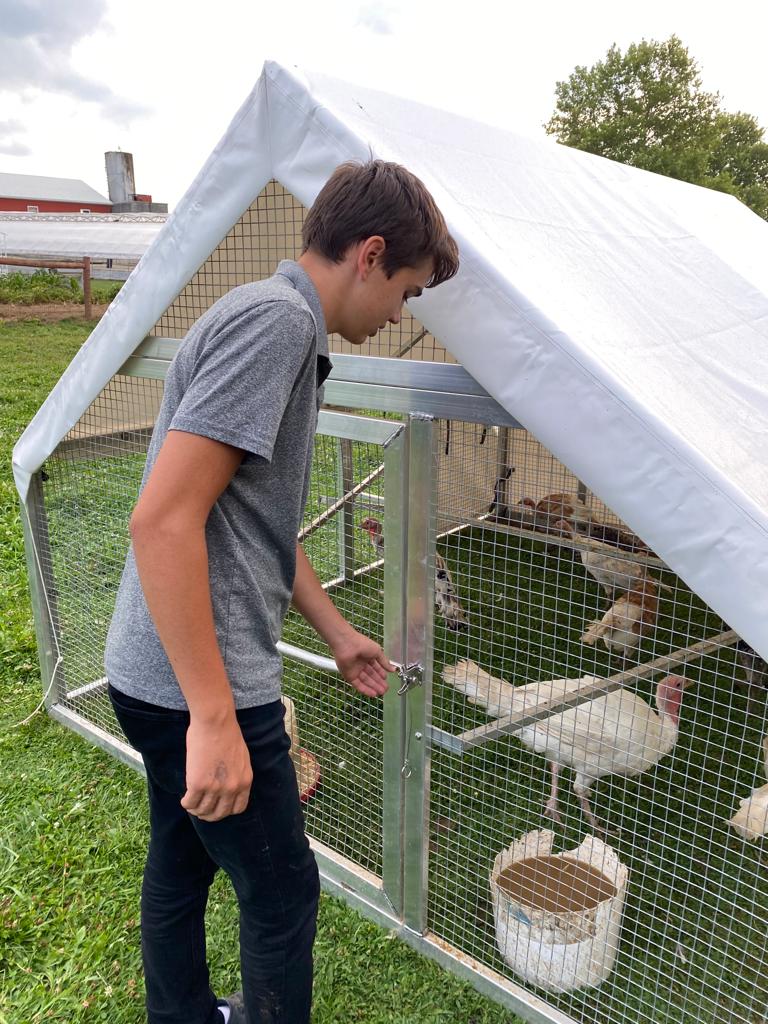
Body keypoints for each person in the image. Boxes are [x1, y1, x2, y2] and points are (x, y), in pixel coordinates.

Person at [104, 159, 459, 1024]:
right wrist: (216, 720)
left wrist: (336, 631)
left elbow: (252, 521)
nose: (399, 315)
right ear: (370, 254)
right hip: (198, 685)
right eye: (408, 292)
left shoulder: (274, 319)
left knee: (181, 862)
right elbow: (161, 522)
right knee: (283, 893)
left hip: (151, 671)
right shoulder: (278, 326)